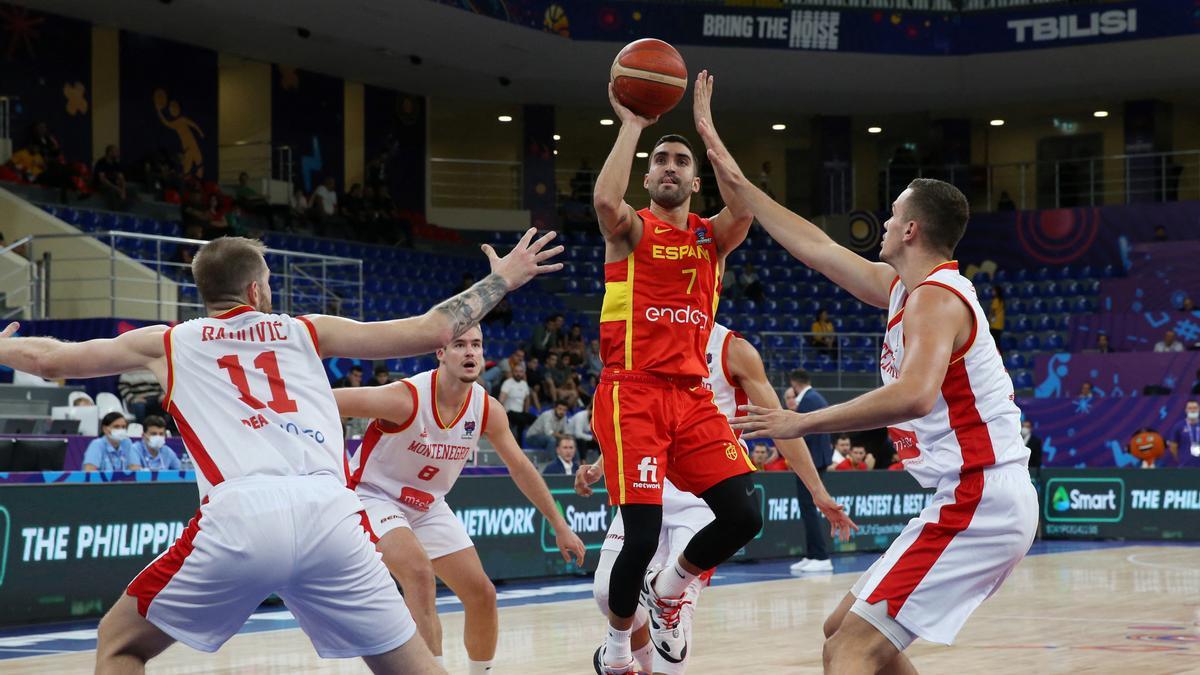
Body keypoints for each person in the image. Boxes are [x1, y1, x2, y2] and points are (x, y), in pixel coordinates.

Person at [0, 228, 561, 673]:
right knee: (415, 668)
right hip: (333, 514)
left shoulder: (168, 342)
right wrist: (503, 280)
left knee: (120, 644)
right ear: (257, 292)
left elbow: (53, 358)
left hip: (241, 514)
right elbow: (432, 327)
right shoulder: (304, 330)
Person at [712, 144, 1038, 672]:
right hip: (966, 495)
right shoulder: (902, 290)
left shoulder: (937, 297)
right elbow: (815, 247)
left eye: (892, 214)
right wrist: (743, 189)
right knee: (841, 630)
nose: (883, 222)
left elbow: (915, 395)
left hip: (981, 496)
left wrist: (802, 421)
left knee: (849, 649)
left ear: (910, 230)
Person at [589, 71, 766, 673]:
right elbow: (605, 204)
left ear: (694, 178)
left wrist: (710, 136)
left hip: (691, 398)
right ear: (648, 174)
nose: (670, 166)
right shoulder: (631, 230)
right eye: (660, 160)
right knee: (639, 537)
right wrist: (633, 125)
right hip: (632, 390)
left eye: (680, 160)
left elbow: (745, 205)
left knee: (745, 514)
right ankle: (615, 652)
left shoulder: (710, 239)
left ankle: (670, 592)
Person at [579, 321, 854, 674]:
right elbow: (636, 412)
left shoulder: (733, 350)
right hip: (651, 480)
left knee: (678, 607)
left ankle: (651, 656)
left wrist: (818, 490)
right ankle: (640, 657)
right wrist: (603, 464)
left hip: (706, 495)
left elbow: (783, 427)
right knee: (606, 592)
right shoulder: (648, 335)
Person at [336, 325, 586, 673]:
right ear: (440, 353)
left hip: (427, 505)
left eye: (477, 345)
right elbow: (325, 401)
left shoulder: (487, 408)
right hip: (374, 496)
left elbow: (521, 468)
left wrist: (559, 524)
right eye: (459, 345)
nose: (470, 352)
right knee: (419, 574)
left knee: (482, 595)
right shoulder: (405, 397)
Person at [787, 370, 837, 574]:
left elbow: (801, 434)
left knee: (809, 508)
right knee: (807, 508)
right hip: (817, 460)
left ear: (794, 383)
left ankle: (822, 556)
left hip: (812, 462)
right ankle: (811, 555)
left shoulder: (809, 400)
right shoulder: (814, 397)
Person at [499, 363, 535, 440]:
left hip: (520, 413)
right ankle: (519, 443)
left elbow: (527, 399)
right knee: (521, 420)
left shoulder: (524, 384)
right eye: (516, 371)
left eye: (520, 372)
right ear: (513, 372)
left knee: (535, 419)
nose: (518, 374)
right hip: (509, 412)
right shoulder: (507, 383)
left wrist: (526, 412)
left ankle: (525, 441)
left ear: (523, 373)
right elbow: (501, 399)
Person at [1163, 400, 1200, 468]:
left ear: (1199, 409)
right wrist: (1181, 459)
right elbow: (1173, 446)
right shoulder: (1179, 426)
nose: (1192, 410)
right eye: (1190, 408)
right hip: (1185, 466)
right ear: (1186, 410)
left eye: (1195, 408)